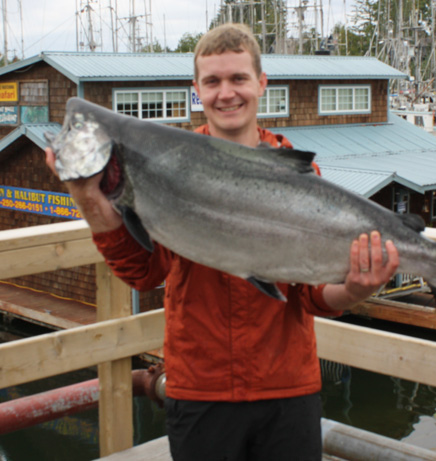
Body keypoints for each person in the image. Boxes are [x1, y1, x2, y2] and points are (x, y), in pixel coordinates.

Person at [46, 23, 399, 461]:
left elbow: (311, 296)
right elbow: (143, 274)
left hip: (286, 391)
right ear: (196, 89)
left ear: (261, 84)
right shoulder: (168, 165)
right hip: (199, 391)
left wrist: (357, 289)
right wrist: (87, 196)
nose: (226, 93)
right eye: (212, 81)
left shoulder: (298, 177)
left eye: (238, 79)